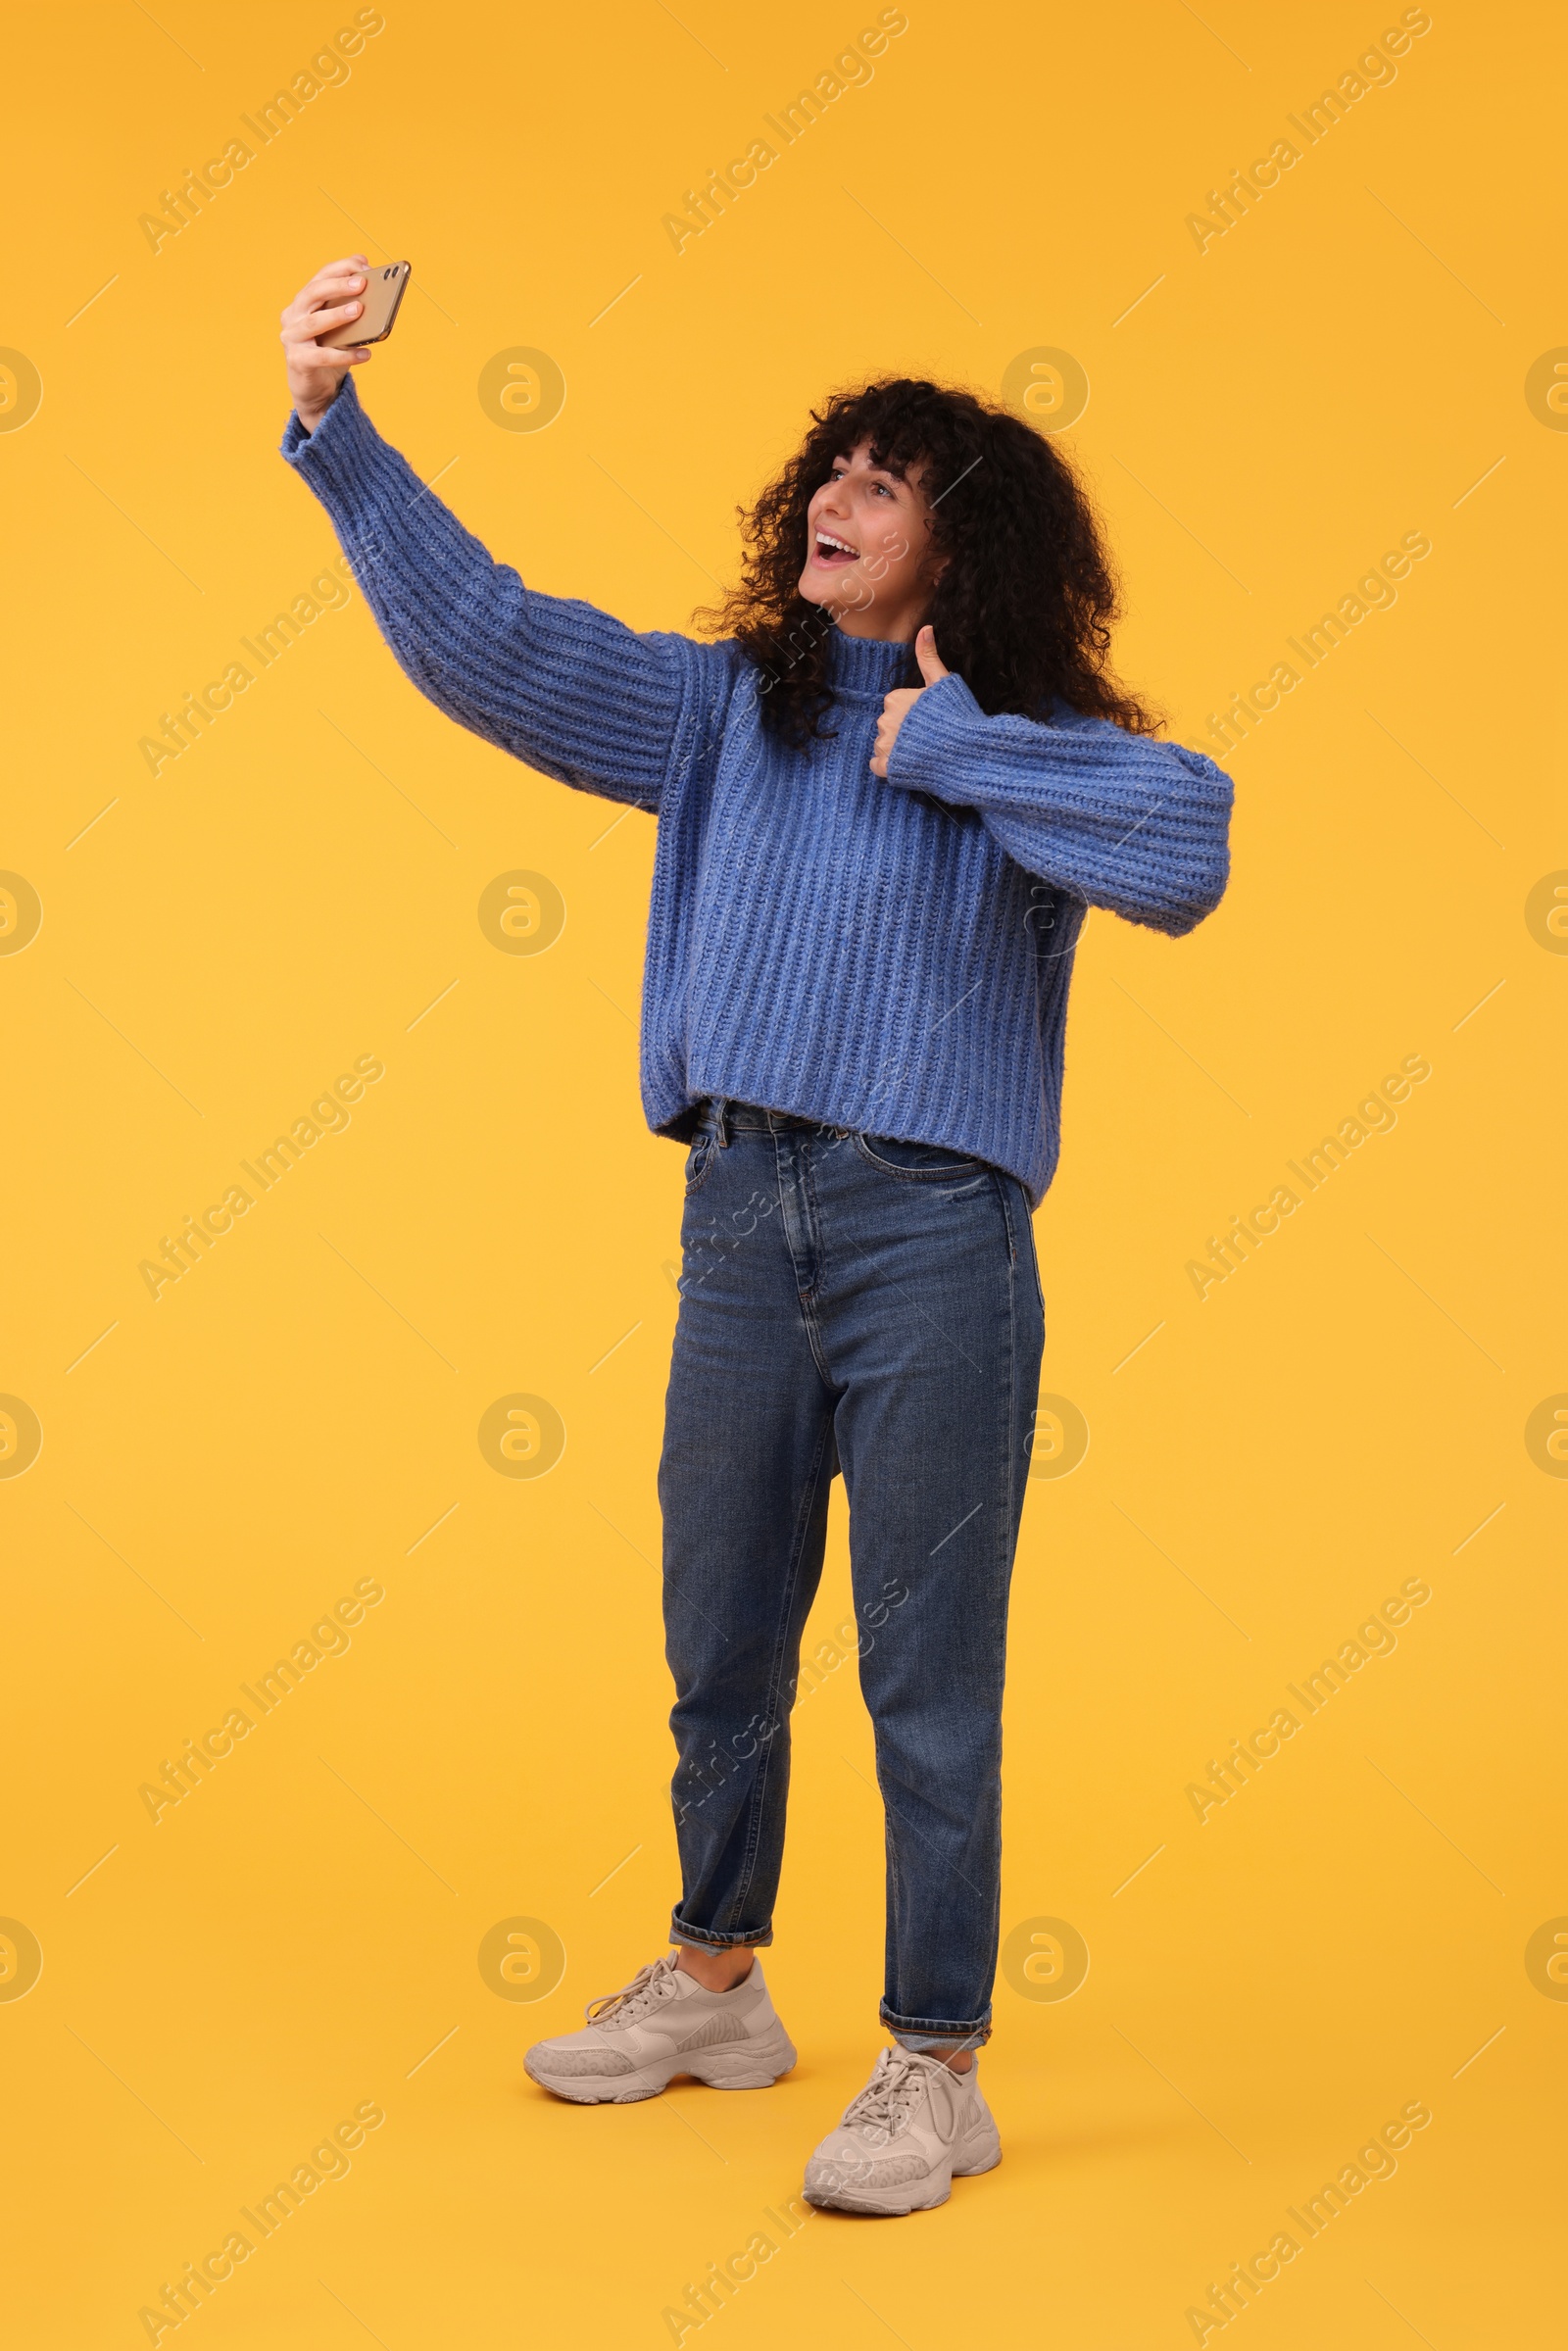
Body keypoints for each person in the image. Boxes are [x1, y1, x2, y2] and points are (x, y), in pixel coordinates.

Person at [278, 257, 1234, 2217]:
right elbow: (494, 641)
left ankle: (933, 2064)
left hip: (932, 1238)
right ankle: (715, 1981)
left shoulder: (1018, 751)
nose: (835, 498)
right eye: (830, 469)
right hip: (740, 1211)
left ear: (960, 544)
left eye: (884, 483)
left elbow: (1190, 838)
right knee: (715, 1628)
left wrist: (950, 747)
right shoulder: (725, 714)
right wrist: (332, 431)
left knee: (922, 1671)